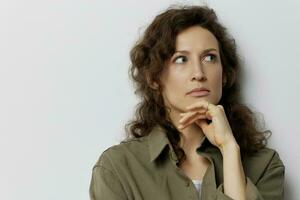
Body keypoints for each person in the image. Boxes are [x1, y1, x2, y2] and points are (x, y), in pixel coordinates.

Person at [89, 4, 285, 200]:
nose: (199, 74)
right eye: (181, 59)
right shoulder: (118, 168)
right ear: (154, 78)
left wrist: (229, 149)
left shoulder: (264, 166)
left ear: (224, 74)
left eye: (209, 58)